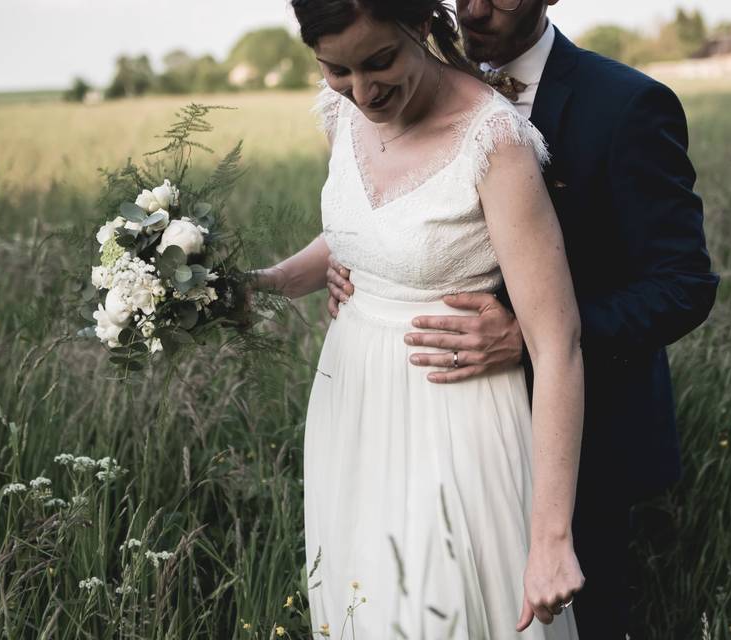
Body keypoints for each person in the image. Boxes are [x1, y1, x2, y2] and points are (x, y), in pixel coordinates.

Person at [322, 0, 720, 637]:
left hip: (588, 429)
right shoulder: (403, 78)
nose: (476, 7)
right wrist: (360, 266)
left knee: (576, 618)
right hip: (440, 422)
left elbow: (685, 286)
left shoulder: (626, 104)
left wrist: (528, 337)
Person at [251, 1, 586, 637]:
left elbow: (557, 344)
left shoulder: (494, 141)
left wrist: (551, 538)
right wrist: (257, 288)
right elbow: (364, 236)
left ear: (423, 27)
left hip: (454, 421)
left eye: (380, 62)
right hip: (350, 408)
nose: (363, 91)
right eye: (337, 70)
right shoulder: (341, 115)